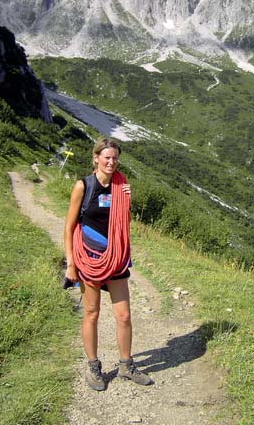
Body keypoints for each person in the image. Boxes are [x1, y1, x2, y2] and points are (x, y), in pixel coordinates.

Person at [64, 137, 153, 391]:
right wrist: (71, 263)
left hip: (116, 258)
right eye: (106, 157)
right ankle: (93, 367)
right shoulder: (83, 186)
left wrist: (127, 201)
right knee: (92, 313)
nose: (111, 162)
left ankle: (126, 365)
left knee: (123, 315)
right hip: (89, 258)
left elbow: (123, 225)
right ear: (96, 158)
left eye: (114, 158)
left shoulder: (121, 187)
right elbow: (69, 227)